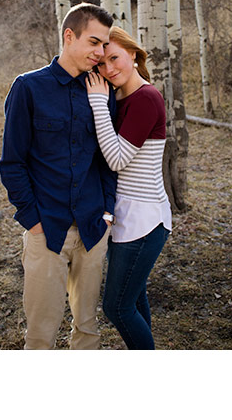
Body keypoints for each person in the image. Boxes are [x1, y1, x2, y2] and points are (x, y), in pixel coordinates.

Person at [0, 2, 116, 349]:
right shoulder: (28, 88)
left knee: (88, 331)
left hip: (94, 229)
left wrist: (107, 211)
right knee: (40, 335)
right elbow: (12, 163)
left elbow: (107, 159)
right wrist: (32, 220)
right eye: (94, 42)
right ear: (69, 36)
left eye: (104, 45)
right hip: (47, 231)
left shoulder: (101, 92)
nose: (100, 52)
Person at [85, 26, 172, 350]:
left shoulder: (145, 98)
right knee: (133, 299)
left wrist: (96, 103)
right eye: (101, 65)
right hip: (126, 216)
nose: (109, 69)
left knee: (116, 307)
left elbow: (118, 160)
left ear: (133, 54)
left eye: (115, 58)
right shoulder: (119, 98)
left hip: (144, 220)